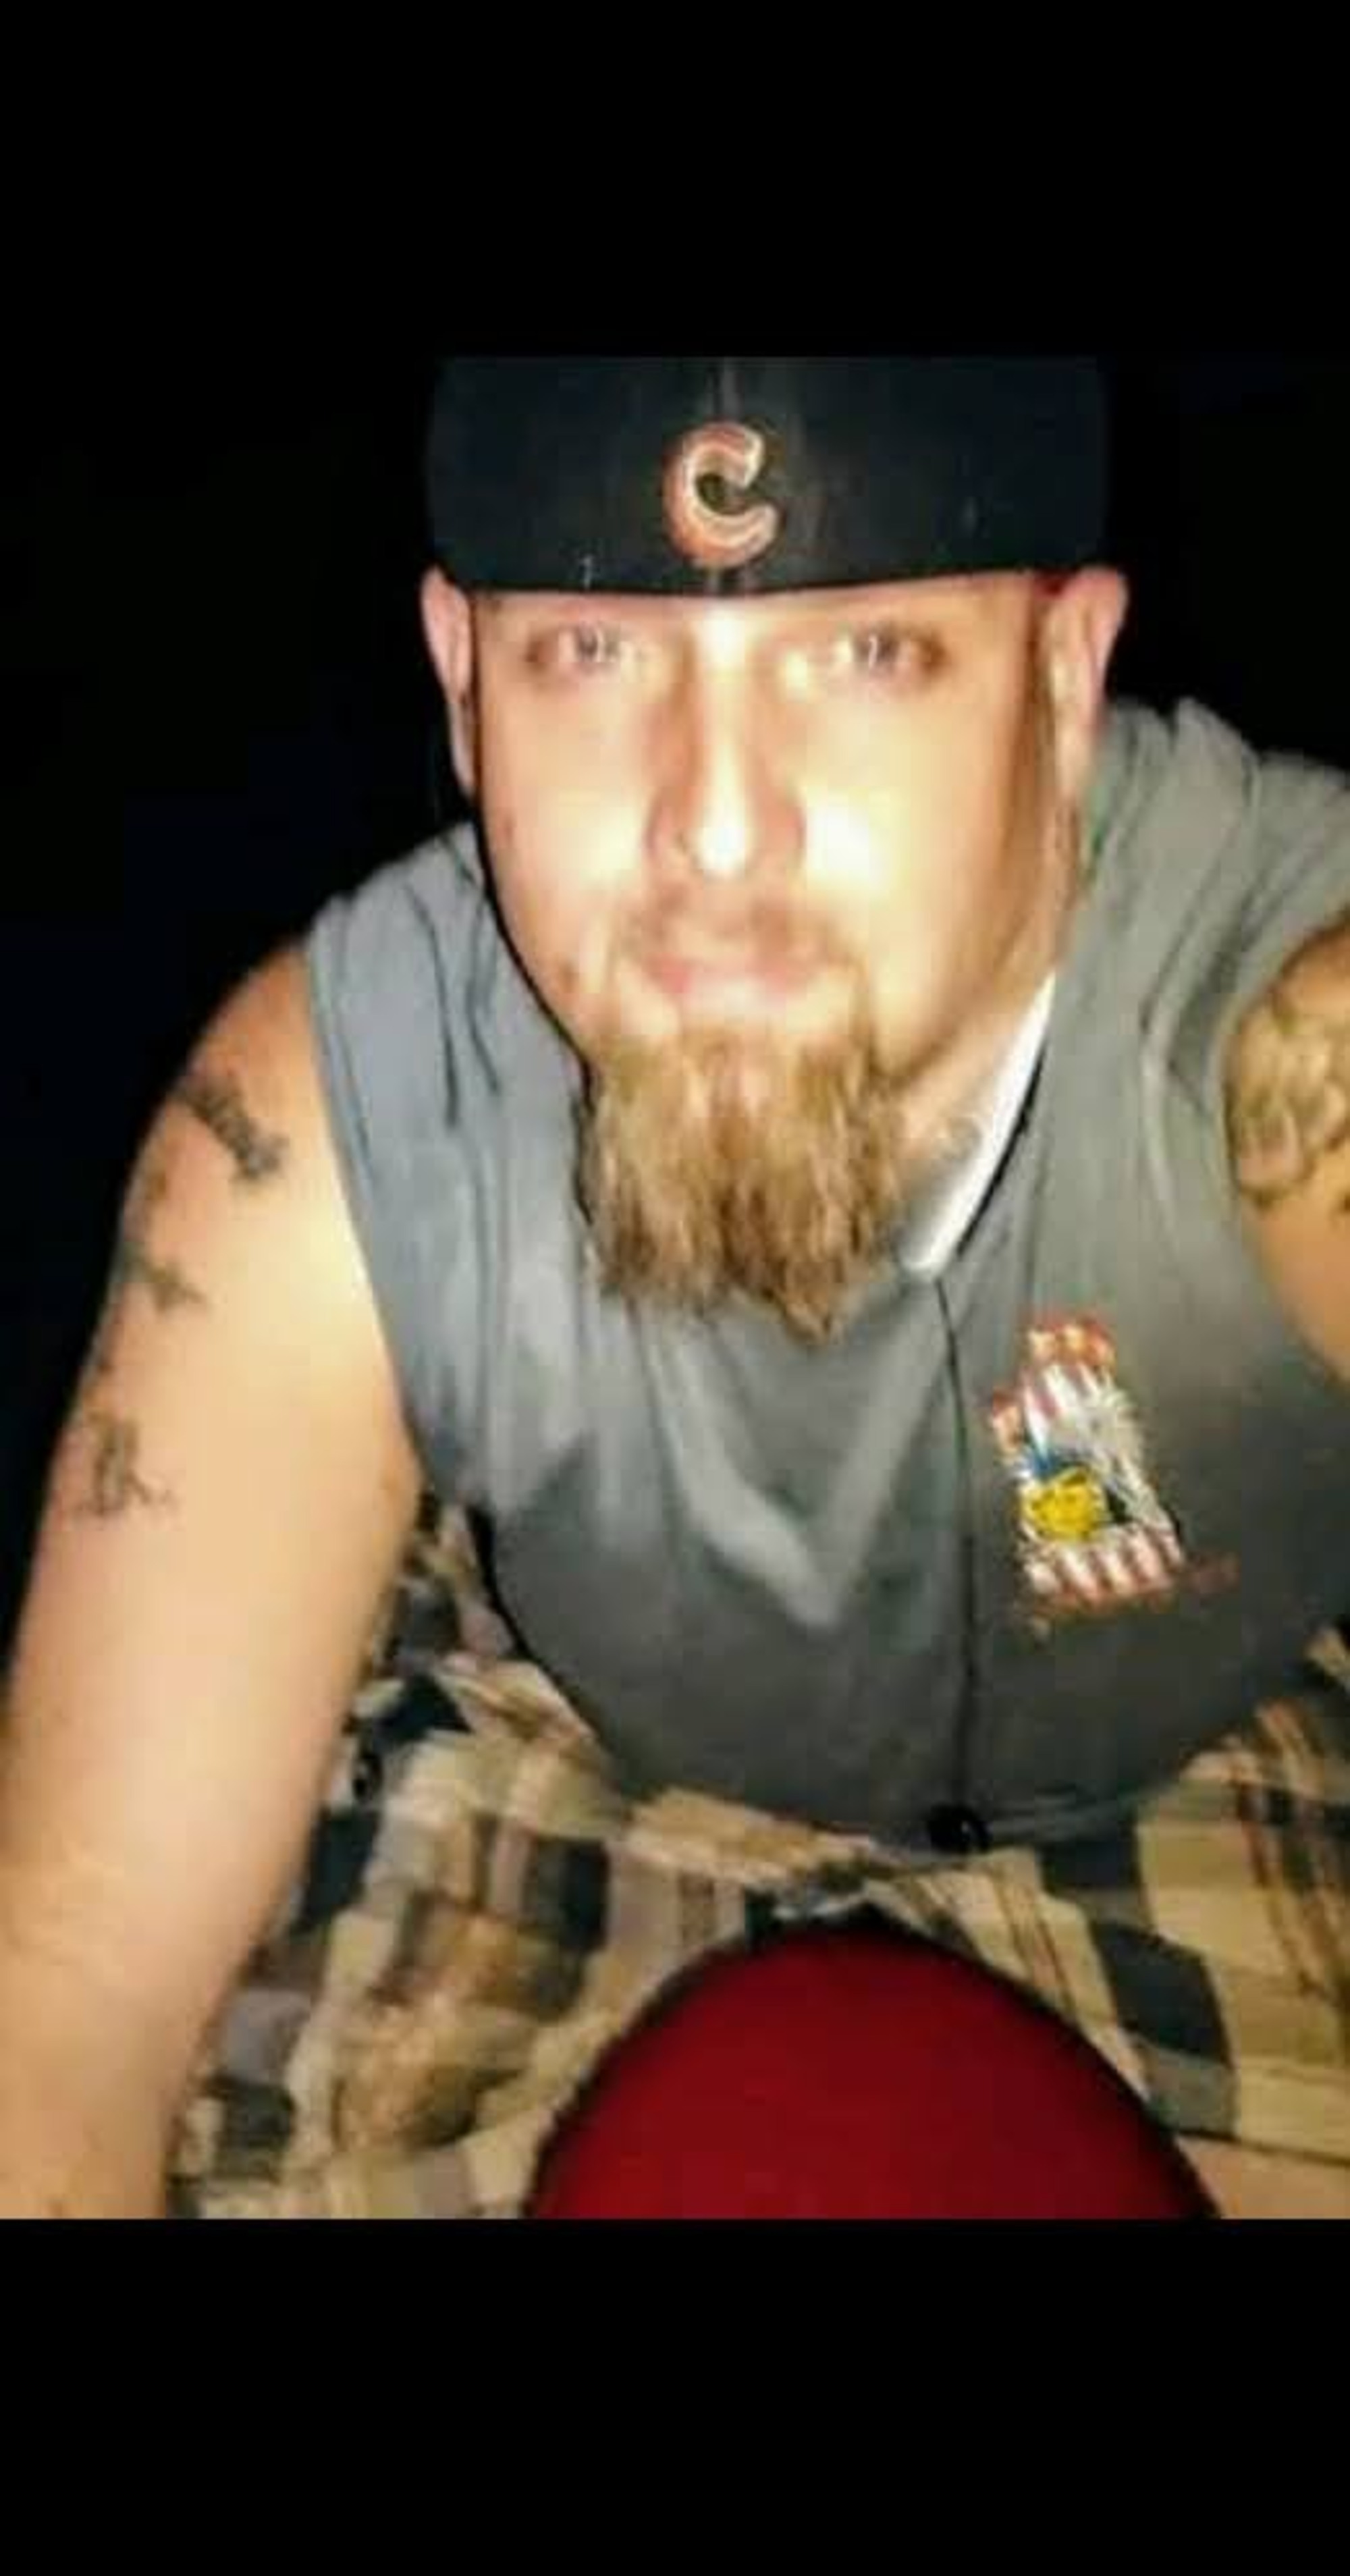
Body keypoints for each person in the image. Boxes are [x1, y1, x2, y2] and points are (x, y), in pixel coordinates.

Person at [1, 356, 1347, 2220]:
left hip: (1223, 1764)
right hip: (575, 1762)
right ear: (464, 684)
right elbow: (68, 1983)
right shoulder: (332, 1125)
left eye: (864, 654)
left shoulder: (1295, 1046)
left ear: (1062, 678)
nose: (716, 829)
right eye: (594, 656)